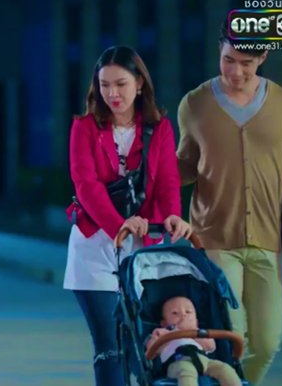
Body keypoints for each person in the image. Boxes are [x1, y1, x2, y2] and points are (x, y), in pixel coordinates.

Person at [176, 19, 282, 385]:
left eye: (246, 63)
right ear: (219, 49)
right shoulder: (195, 104)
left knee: (268, 343)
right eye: (228, 60)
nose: (236, 72)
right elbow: (186, 167)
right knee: (232, 335)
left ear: (264, 56)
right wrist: (154, 172)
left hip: (267, 242)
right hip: (213, 238)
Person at [64, 45, 193, 385]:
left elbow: (167, 180)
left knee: (144, 345)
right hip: (95, 245)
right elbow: (86, 184)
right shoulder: (84, 127)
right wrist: (118, 224)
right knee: (110, 346)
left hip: (143, 245)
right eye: (104, 85)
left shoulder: (159, 127)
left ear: (139, 83)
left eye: (120, 84)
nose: (112, 94)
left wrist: (172, 216)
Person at [146, 296, 241, 386]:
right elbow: (150, 352)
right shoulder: (163, 333)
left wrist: (192, 331)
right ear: (164, 323)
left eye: (188, 312)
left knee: (224, 368)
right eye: (175, 313)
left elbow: (211, 346)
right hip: (176, 362)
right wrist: (160, 338)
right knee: (186, 370)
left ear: (196, 321)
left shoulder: (198, 332)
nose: (183, 315)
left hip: (204, 361)